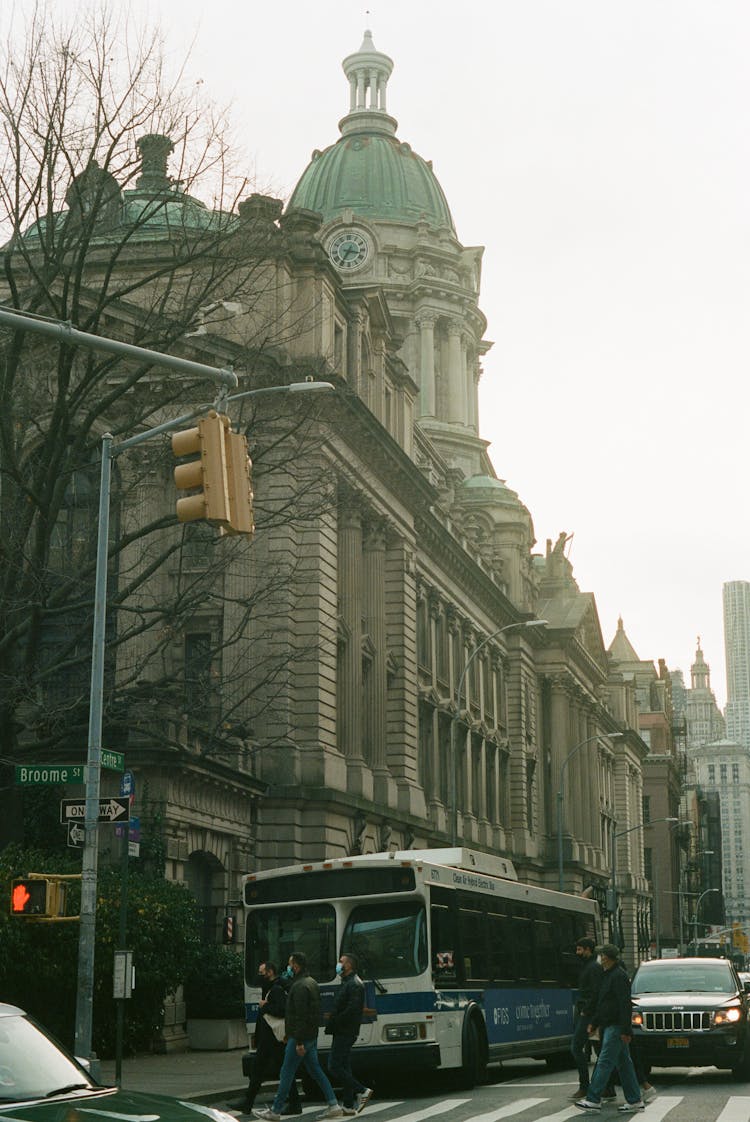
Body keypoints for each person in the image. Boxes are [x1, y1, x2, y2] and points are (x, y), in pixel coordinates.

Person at [253, 951, 342, 1122]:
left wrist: (297, 1040)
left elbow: (299, 1015)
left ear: (296, 966)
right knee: (315, 1070)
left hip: (300, 1037)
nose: (288, 967)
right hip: (310, 1035)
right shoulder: (312, 982)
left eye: (290, 964)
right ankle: (333, 1104)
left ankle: (276, 1110)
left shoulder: (299, 986)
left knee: (286, 1072)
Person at [574, 944, 644, 1113]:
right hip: (610, 1023)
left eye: (602, 955)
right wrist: (595, 1021)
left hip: (616, 1025)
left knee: (604, 1061)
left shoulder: (618, 976)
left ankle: (593, 1099)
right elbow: (603, 1002)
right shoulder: (608, 975)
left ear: (608, 957)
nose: (600, 958)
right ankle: (635, 1100)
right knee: (624, 1064)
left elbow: (623, 1004)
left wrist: (626, 1029)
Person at [245, 962, 302, 1115]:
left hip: (273, 1037)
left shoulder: (277, 988)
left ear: (270, 972)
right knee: (262, 1069)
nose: (259, 976)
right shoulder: (272, 986)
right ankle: (247, 1103)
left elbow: (281, 1010)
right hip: (269, 1037)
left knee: (283, 1070)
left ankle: (248, 1103)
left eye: (261, 972)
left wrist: (265, 1006)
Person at [326, 953, 373, 1116]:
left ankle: (362, 1090)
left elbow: (352, 1010)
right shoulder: (348, 981)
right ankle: (348, 1105)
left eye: (341, 962)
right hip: (343, 1029)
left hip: (345, 1030)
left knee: (333, 1065)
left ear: (349, 966)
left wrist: (336, 1020)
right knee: (345, 1065)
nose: (338, 965)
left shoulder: (354, 984)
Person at [570, 937, 603, 1100]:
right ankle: (605, 1087)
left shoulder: (593, 968)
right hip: (587, 1012)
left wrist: (586, 1011)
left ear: (588, 950)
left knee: (577, 1047)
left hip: (589, 1014)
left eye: (580, 949)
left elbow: (595, 992)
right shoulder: (587, 967)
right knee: (599, 1050)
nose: (577, 953)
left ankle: (585, 1086)